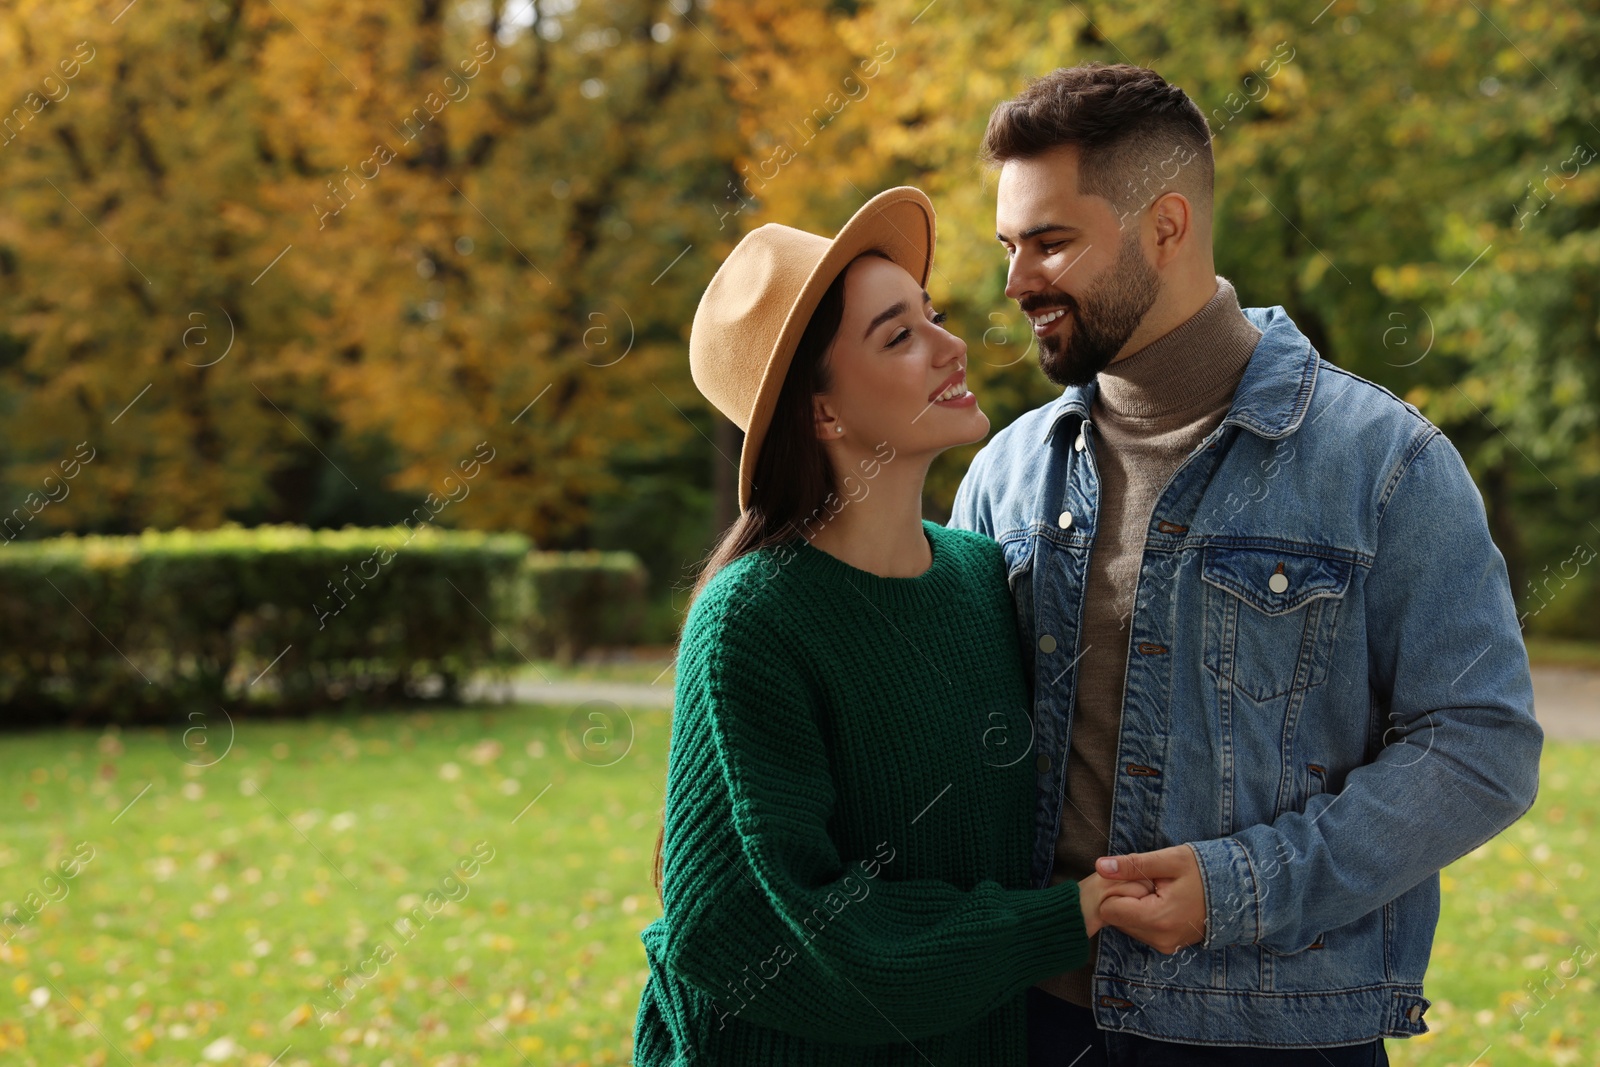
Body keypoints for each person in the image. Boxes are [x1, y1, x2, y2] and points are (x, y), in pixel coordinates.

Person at [948, 63, 1544, 1065]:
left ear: (1166, 226)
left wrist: (1240, 885)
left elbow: (1481, 743)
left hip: (1276, 1033)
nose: (1015, 283)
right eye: (1009, 247)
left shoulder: (1383, 462)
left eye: (1050, 242)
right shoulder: (1005, 471)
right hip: (1028, 1025)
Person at [632, 186, 1145, 1066]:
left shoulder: (983, 577)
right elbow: (800, 924)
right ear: (822, 412)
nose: (951, 345)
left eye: (931, 314)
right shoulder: (755, 617)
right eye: (898, 335)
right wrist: (1071, 915)